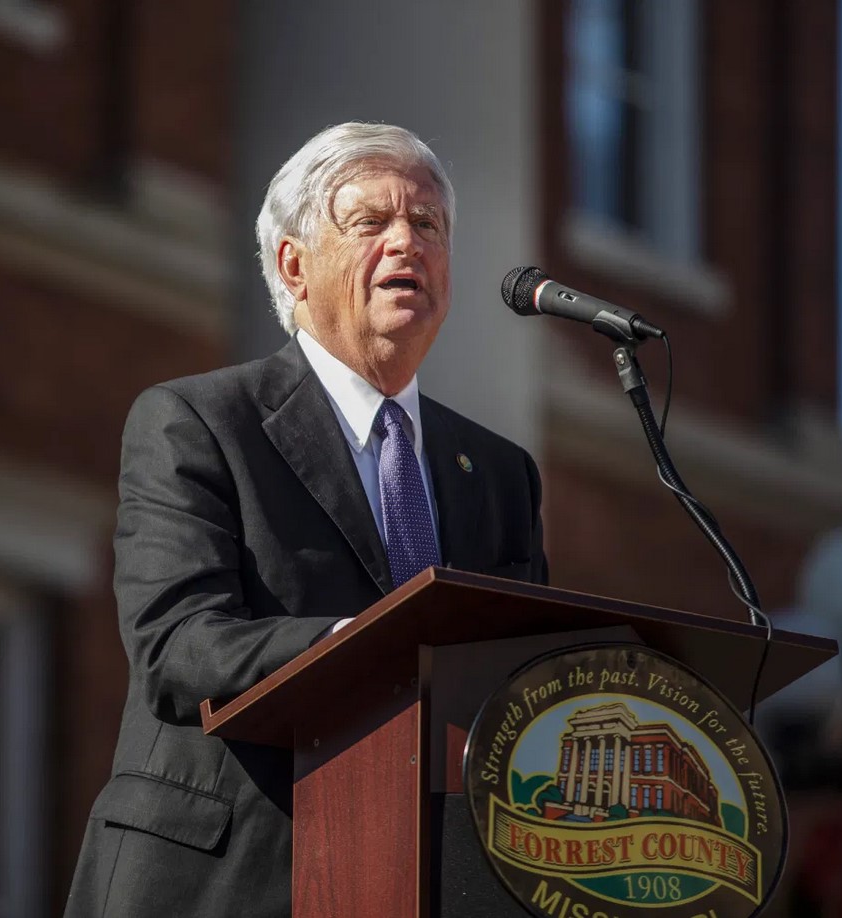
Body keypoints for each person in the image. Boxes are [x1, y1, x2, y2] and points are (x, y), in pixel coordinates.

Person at [64, 123, 548, 917]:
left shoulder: (499, 472)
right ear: (294, 265)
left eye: (428, 224)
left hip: (428, 884)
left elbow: (520, 686)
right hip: (227, 881)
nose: (408, 243)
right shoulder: (199, 421)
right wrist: (369, 647)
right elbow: (177, 647)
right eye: (372, 222)